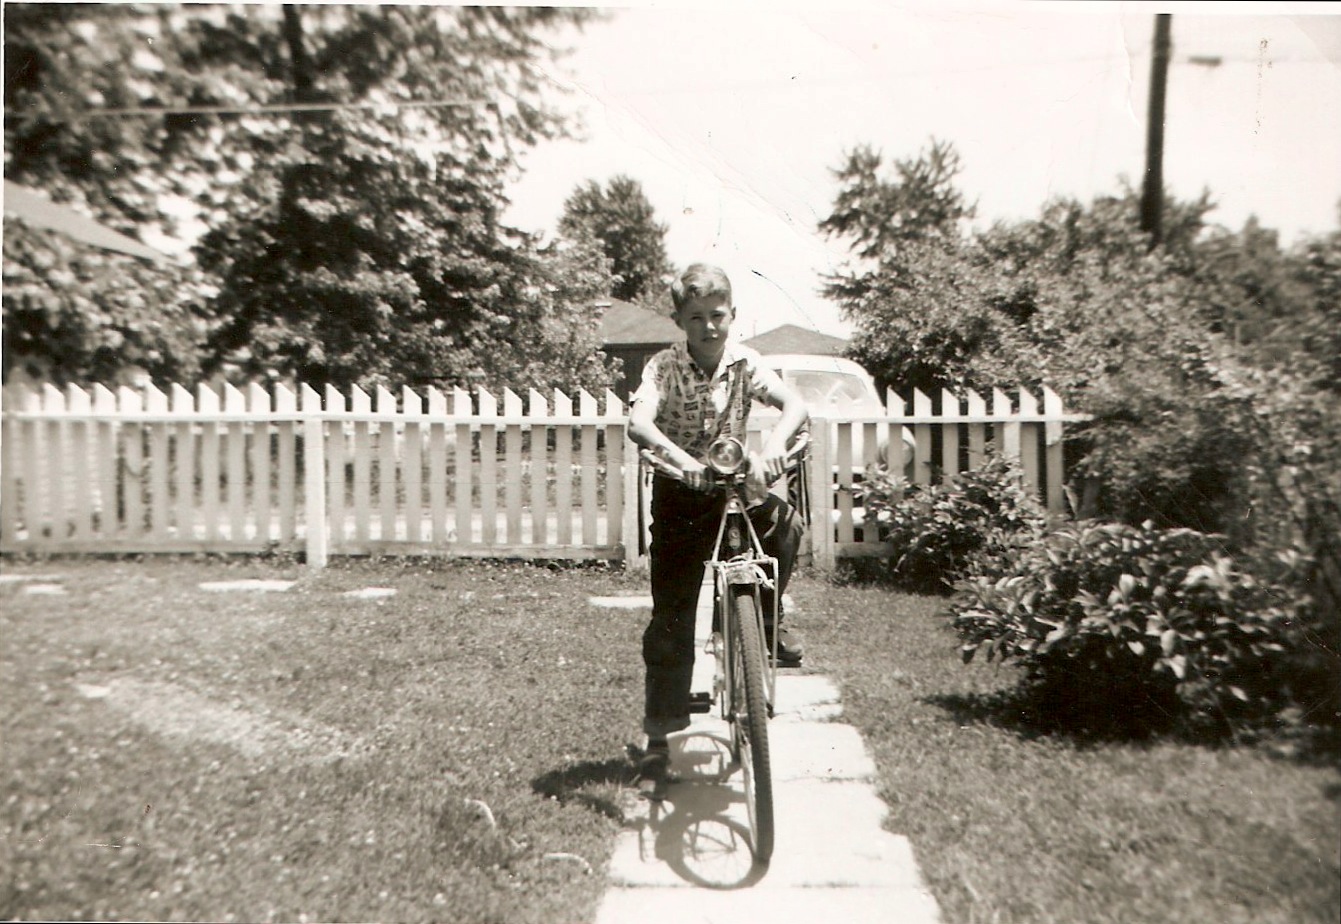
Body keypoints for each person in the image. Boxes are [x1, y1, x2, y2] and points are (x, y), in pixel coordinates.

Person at [627, 263, 811, 781]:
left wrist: (773, 448)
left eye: (718, 315)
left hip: (734, 482)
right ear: (680, 321)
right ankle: (659, 739)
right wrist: (683, 462)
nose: (709, 327)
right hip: (682, 491)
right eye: (696, 318)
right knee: (671, 615)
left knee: (785, 526)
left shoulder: (745, 363)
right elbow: (639, 422)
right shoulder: (663, 367)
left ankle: (761, 628)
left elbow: (793, 403)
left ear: (733, 315)